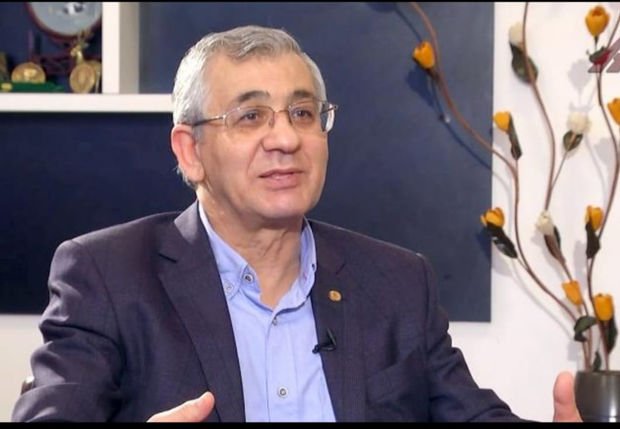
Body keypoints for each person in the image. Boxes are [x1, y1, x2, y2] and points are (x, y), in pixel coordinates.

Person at [11, 25, 582, 423]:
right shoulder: (107, 276)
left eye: (303, 113)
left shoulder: (397, 282)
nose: (285, 138)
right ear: (190, 151)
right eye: (250, 116)